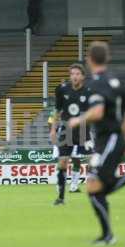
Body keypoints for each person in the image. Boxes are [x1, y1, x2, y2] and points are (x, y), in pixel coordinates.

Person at [69, 41, 125, 245]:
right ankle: (107, 235)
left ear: (89, 59)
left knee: (95, 186)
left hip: (109, 139)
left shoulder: (96, 84)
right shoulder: (115, 81)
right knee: (95, 186)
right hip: (112, 140)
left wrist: (78, 119)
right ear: (107, 58)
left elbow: (98, 111)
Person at [50, 64, 92, 205]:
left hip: (84, 131)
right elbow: (56, 111)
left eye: (77, 74)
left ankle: (95, 192)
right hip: (66, 131)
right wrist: (53, 130)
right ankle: (61, 198)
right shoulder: (63, 90)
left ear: (83, 76)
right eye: (72, 74)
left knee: (92, 161)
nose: (74, 76)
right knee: (62, 162)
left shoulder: (89, 92)